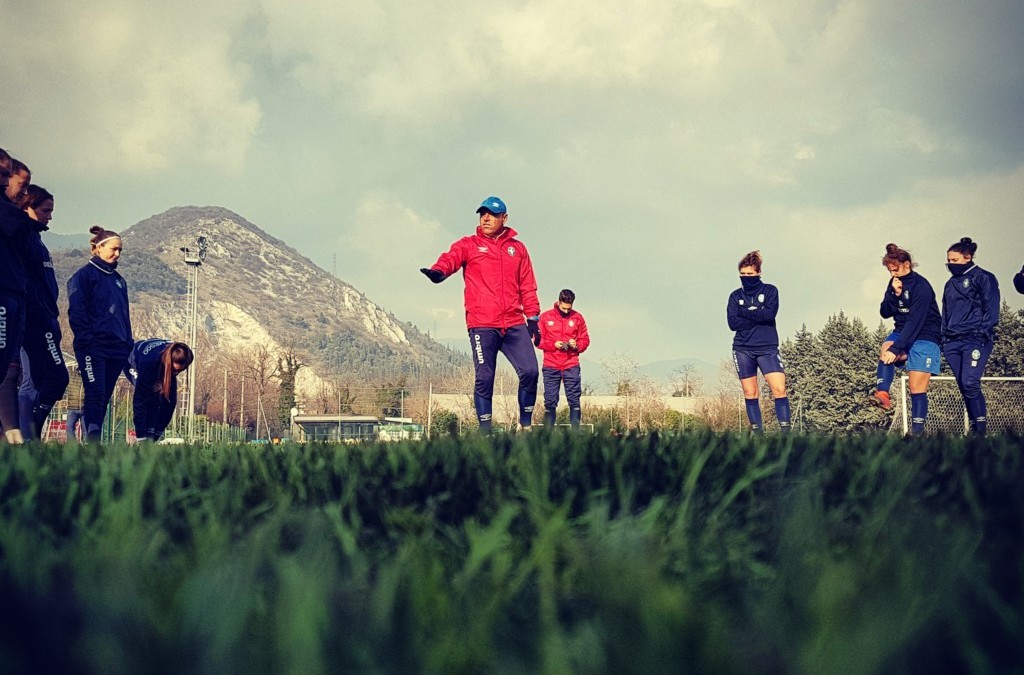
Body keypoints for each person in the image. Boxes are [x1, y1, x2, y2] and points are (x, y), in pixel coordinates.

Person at [420, 196, 541, 432]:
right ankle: (485, 433)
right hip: (483, 324)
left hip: (514, 323)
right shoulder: (469, 244)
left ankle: (525, 426)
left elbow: (528, 285)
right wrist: (438, 272)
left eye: (492, 214)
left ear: (504, 218)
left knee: (531, 371)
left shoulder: (518, 249)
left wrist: (534, 318)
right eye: (482, 214)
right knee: (485, 377)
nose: (486, 218)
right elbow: (450, 259)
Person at [67, 226, 132, 442]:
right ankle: (92, 443)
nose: (117, 254)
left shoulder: (120, 281)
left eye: (120, 250)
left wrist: (127, 342)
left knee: (103, 397)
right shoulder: (83, 276)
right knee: (94, 394)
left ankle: (94, 441)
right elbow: (76, 311)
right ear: (99, 248)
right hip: (93, 347)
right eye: (114, 249)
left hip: (117, 348)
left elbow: (124, 314)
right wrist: (85, 340)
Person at [16, 184, 70, 438]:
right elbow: (26, 283)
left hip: (47, 318)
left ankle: (28, 435)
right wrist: (41, 315)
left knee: (38, 380)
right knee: (51, 378)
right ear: (28, 207)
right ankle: (27, 435)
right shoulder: (23, 238)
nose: (50, 216)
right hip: (35, 321)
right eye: (46, 210)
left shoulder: (36, 239)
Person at [877, 243, 942, 435]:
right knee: (886, 347)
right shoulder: (894, 282)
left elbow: (916, 321)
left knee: (916, 386)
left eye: (895, 270)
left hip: (925, 334)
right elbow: (885, 312)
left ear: (907, 264)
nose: (892, 274)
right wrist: (893, 293)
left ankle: (916, 434)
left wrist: (898, 349)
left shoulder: (922, 286)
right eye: (889, 271)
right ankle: (882, 394)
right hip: (902, 330)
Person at [726, 251, 791, 433]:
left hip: (768, 348)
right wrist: (758, 315)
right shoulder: (734, 296)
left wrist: (745, 312)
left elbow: (769, 314)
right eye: (743, 274)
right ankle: (758, 434)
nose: (746, 278)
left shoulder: (771, 290)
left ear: (759, 273)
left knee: (779, 389)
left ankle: (786, 434)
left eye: (750, 274)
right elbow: (733, 323)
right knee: (750, 393)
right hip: (743, 349)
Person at [941, 237, 1000, 436]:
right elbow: (945, 313)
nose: (950, 264)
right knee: (963, 386)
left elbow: (991, 308)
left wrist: (982, 332)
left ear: (968, 257)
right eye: (948, 260)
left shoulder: (983, 277)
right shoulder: (949, 284)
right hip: (952, 342)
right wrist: (944, 339)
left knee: (970, 382)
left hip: (974, 339)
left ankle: (981, 430)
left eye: (955, 260)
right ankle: (975, 429)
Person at [0, 149, 33, 444]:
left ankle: (9, 433)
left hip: (15, 295)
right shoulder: (8, 213)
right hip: (4, 295)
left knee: (7, 365)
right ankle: (12, 431)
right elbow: (17, 225)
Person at [537, 289, 590, 428]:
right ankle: (547, 436)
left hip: (571, 364)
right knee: (550, 401)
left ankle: (575, 435)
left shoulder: (578, 318)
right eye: (563, 308)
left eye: (569, 308)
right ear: (558, 302)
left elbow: (585, 340)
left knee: (574, 399)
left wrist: (576, 345)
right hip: (550, 365)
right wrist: (553, 345)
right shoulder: (545, 317)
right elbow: (537, 340)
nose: (566, 311)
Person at [124, 339, 193, 442]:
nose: (177, 373)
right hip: (132, 360)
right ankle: (142, 438)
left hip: (160, 363)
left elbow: (169, 403)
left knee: (170, 400)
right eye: (175, 370)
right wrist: (141, 436)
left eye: (180, 370)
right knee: (150, 395)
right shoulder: (149, 362)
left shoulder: (175, 353)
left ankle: (153, 437)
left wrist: (158, 432)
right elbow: (139, 400)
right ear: (169, 362)